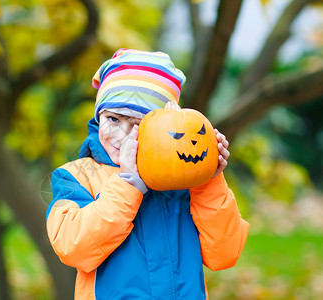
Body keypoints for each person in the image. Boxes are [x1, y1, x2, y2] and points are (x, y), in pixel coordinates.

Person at [46, 49, 250, 299]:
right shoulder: (76, 177)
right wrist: (128, 186)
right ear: (99, 116)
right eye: (113, 119)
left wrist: (207, 179)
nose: (122, 136)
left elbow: (225, 254)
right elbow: (73, 248)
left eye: (138, 125)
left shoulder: (184, 180)